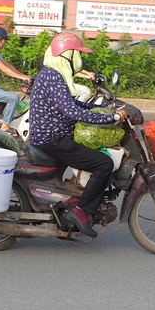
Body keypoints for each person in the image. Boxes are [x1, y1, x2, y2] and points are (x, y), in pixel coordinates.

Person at [29, 32, 127, 238]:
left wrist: (100, 107)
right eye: (78, 55)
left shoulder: (51, 74)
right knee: (104, 164)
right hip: (53, 140)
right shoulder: (52, 76)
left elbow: (71, 103)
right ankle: (81, 211)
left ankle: (76, 196)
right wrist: (110, 118)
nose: (80, 60)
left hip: (54, 136)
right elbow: (72, 112)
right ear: (68, 56)